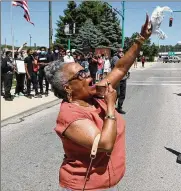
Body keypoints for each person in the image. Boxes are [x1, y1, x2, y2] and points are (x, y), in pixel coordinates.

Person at [44, 14, 152, 191]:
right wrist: (111, 105)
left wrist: (140, 39)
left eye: (85, 70)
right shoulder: (69, 116)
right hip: (84, 186)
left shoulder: (93, 94)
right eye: (81, 74)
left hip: (106, 183)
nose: (88, 75)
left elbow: (120, 68)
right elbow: (104, 144)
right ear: (68, 88)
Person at [111, 48, 128, 114]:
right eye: (120, 52)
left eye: (122, 51)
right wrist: (123, 59)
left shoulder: (122, 58)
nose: (121, 53)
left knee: (122, 94)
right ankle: (111, 107)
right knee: (117, 94)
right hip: (117, 79)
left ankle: (119, 108)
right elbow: (119, 66)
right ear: (117, 52)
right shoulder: (115, 58)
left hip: (123, 78)